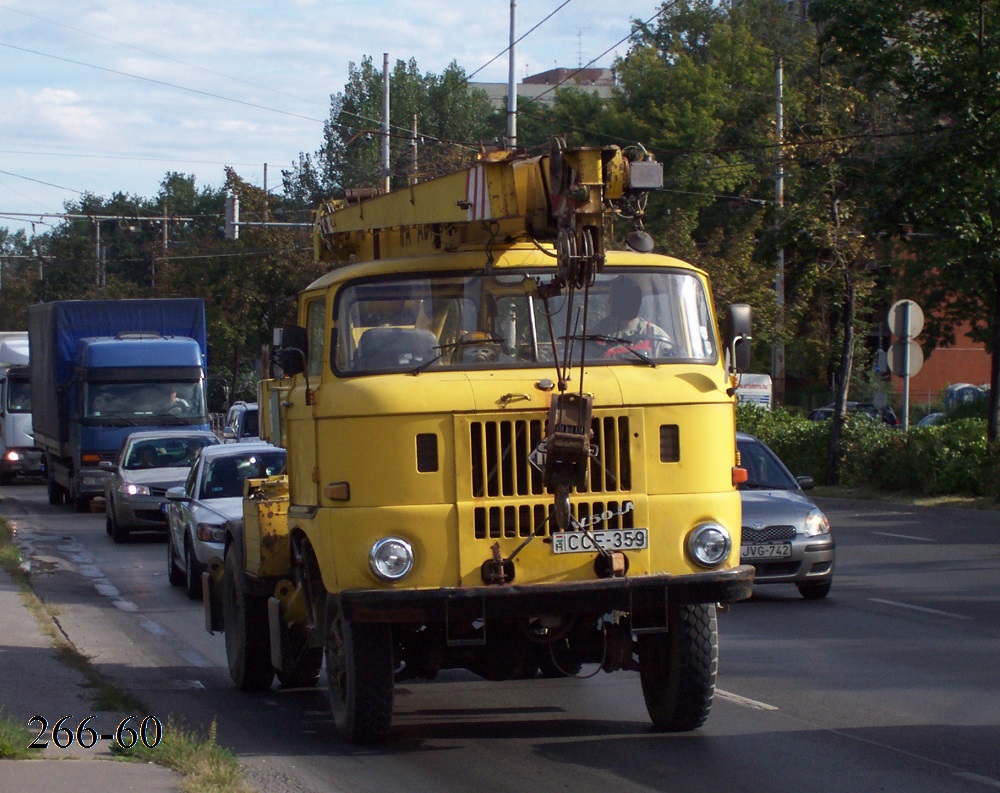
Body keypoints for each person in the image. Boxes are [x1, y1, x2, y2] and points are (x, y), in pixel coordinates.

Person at [591, 277, 674, 357]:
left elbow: (671, 364)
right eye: (620, 298)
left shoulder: (654, 334)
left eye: (627, 299)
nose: (625, 304)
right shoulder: (594, 335)